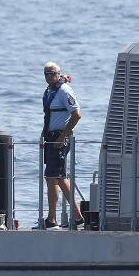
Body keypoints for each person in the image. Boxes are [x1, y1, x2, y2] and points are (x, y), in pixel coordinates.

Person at [41, 61, 85, 229]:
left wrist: (62, 137)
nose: (49, 76)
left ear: (58, 74)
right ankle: (53, 218)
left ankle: (74, 216)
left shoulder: (64, 91)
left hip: (60, 138)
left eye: (52, 73)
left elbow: (76, 114)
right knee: (51, 177)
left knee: (57, 176)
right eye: (46, 73)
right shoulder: (49, 91)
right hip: (50, 138)